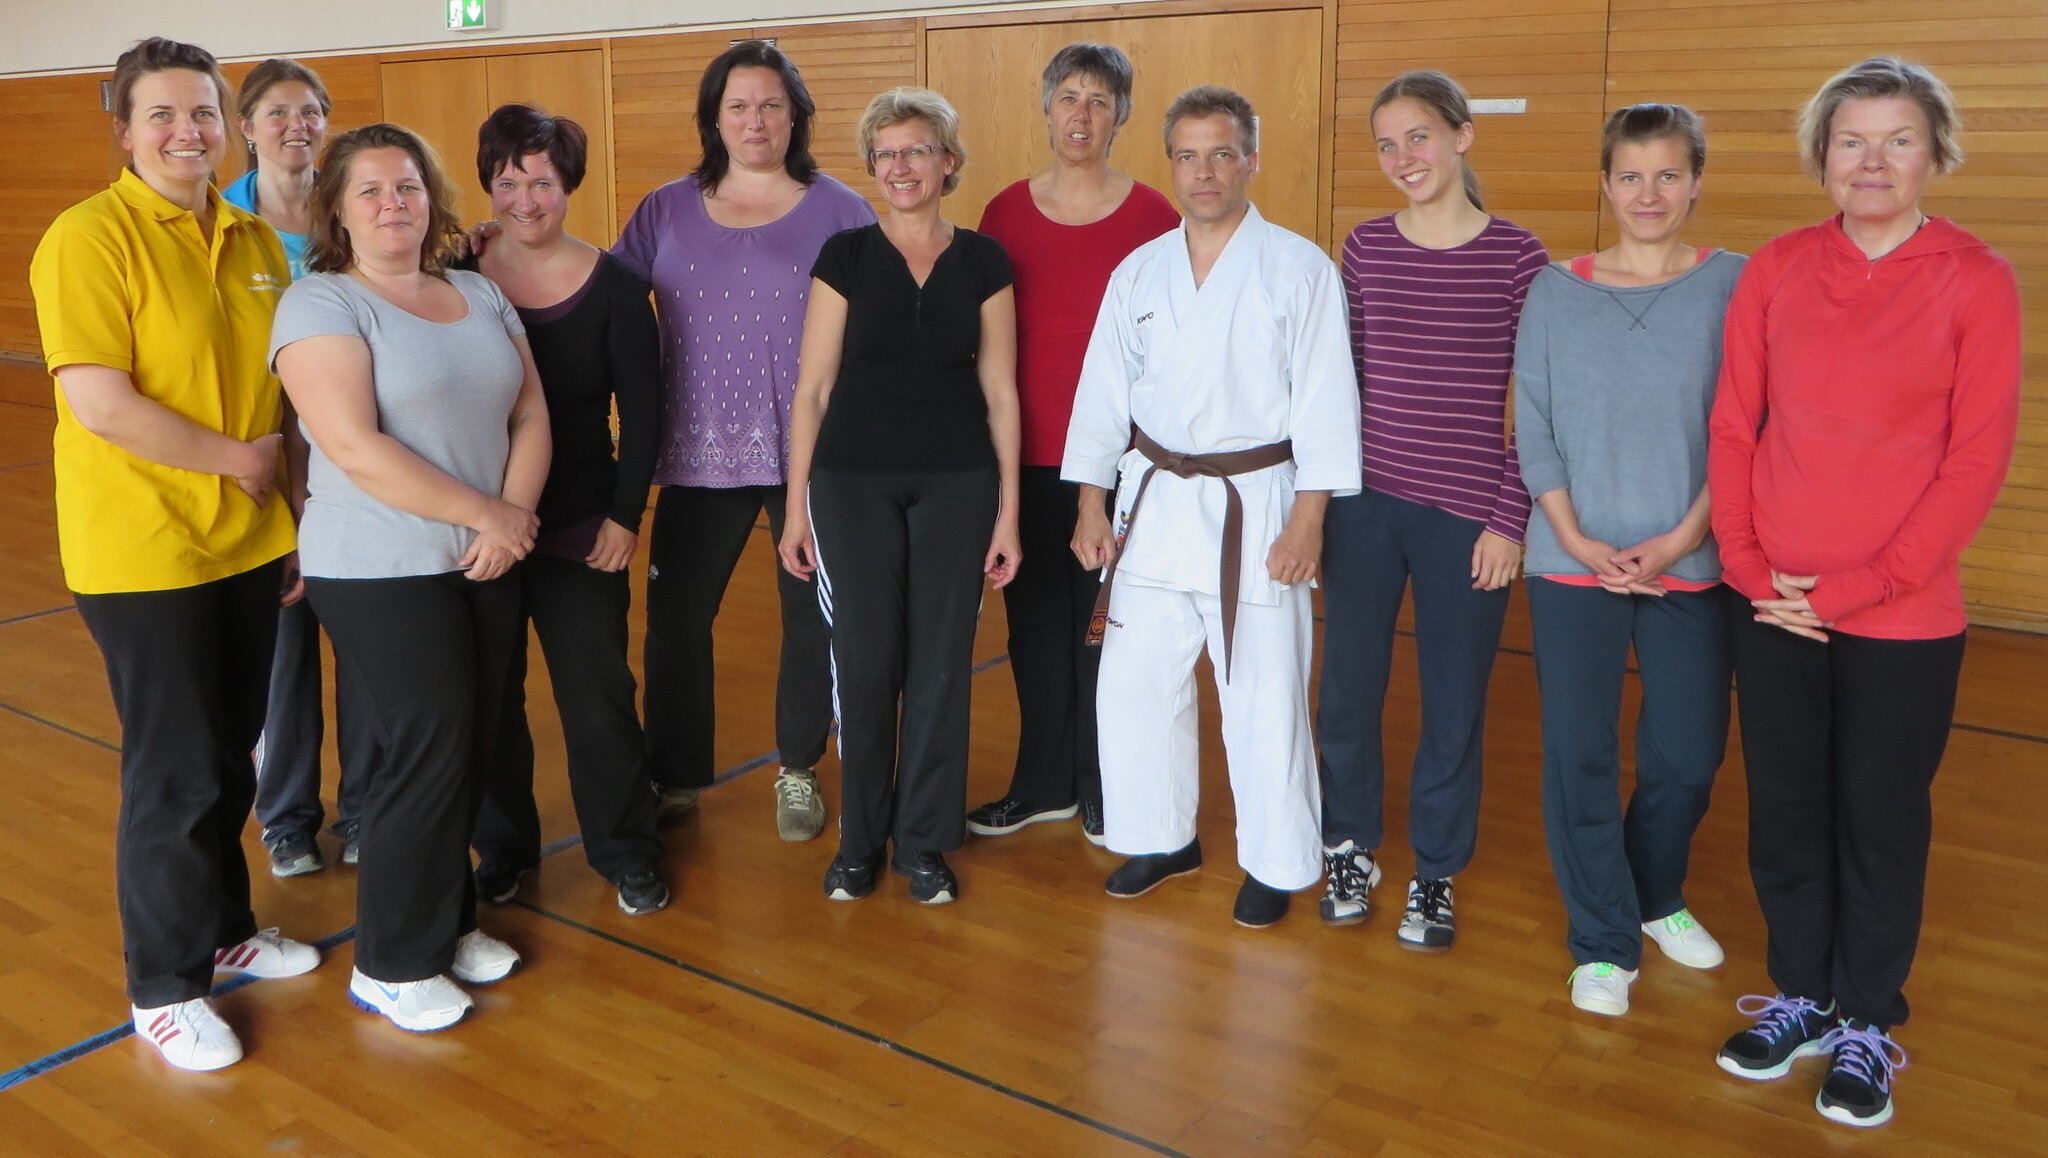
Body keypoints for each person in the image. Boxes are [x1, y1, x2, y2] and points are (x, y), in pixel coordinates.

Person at [1707, 57, 2019, 1129]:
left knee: (1876, 820)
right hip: (1774, 603)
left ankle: (1865, 1024)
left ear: (1932, 151)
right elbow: (1732, 425)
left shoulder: (1975, 280)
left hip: (1900, 616)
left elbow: (1970, 465)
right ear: (1821, 155)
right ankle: (1799, 993)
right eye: (1851, 140)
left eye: (1896, 139)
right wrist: (1750, 571)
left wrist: (1853, 588)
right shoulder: (1778, 269)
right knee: (1786, 812)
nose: (1872, 160)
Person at [29, 35, 320, 1073]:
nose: (186, 131)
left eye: (202, 112)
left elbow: (277, 402)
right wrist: (236, 461)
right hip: (142, 553)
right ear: (124, 129)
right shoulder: (86, 236)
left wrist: (281, 517)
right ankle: (162, 985)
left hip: (246, 541)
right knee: (175, 770)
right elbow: (100, 402)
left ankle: (227, 926)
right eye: (162, 114)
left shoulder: (246, 236)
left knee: (230, 756)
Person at [271, 122, 550, 1033]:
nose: (394, 203)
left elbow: (530, 411)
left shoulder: (475, 290)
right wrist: (490, 516)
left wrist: (508, 523)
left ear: (431, 199)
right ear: (340, 212)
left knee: (474, 740)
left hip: (484, 555)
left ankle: (447, 920)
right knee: (422, 747)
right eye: (371, 190)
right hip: (379, 563)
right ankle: (391, 962)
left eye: (409, 187)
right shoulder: (321, 304)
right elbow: (352, 445)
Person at [1063, 85, 1360, 928]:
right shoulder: (1139, 270)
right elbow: (1100, 397)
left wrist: (1308, 521)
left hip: (1254, 506)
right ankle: (1160, 835)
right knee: (1135, 686)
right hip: (1151, 504)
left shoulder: (1300, 268)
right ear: (1172, 164)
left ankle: (1275, 858)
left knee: (1263, 695)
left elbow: (1328, 408)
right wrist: (1091, 504)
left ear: (1252, 160)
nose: (1205, 171)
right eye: (1189, 155)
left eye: (1222, 152)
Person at [613, 40, 876, 840]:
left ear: (793, 112)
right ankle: (676, 775)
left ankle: (798, 768)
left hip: (813, 456)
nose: (754, 119)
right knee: (677, 621)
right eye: (738, 105)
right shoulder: (664, 207)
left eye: (770, 104)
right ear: (713, 116)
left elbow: (875, 326)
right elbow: (605, 300)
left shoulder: (840, 208)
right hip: (696, 453)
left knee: (812, 620)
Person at [1514, 104, 1743, 1017]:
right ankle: (1604, 939)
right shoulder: (1552, 289)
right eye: (1631, 175)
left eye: (1669, 174)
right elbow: (1532, 424)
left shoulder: (1739, 284)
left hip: (1691, 558)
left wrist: (1684, 538)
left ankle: (1655, 892)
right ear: (1606, 184)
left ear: (1696, 181)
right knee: (1580, 756)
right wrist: (1571, 536)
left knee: (1687, 757)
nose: (1650, 193)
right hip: (1577, 560)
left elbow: (1750, 429)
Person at [1317, 70, 1547, 947]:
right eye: (1387, 143)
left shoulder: (1519, 257)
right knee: (1347, 692)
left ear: (1461, 137)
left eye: (1418, 136)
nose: (1404, 157)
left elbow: (1538, 402)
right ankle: (1350, 845)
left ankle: (1436, 873)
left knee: (1453, 703)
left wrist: (1508, 519)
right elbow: (1344, 384)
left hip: (1467, 519)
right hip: (1365, 508)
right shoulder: (1366, 247)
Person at [779, 86, 1021, 905]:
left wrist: (1011, 512)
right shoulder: (845, 257)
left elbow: (1001, 392)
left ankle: (923, 841)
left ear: (947, 161)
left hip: (960, 485)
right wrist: (794, 508)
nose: (901, 167)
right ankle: (859, 841)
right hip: (852, 485)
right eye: (886, 154)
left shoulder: (984, 260)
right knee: (867, 661)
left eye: (917, 150)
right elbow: (811, 390)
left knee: (942, 667)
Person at [968, 44, 1179, 846]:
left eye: (1099, 100)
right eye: (1069, 98)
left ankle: (1102, 786)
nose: (1082, 114)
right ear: (1046, 108)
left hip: (1120, 470)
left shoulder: (1156, 216)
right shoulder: (1003, 213)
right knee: (1032, 630)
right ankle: (1042, 784)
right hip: (1023, 459)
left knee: (1107, 634)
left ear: (1122, 115)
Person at [467, 103, 668, 916]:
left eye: (541, 180)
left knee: (598, 699)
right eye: (508, 180)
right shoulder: (455, 272)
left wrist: (625, 518)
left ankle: (626, 850)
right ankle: (504, 850)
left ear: (569, 186)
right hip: (480, 525)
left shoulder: (617, 286)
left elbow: (646, 413)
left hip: (583, 527)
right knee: (489, 700)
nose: (524, 198)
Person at [222, 55, 368, 877]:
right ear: (246, 126)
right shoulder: (221, 219)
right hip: (267, 465)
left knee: (366, 645)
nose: (296, 125)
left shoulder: (346, 211)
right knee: (284, 655)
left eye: (310, 110)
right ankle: (285, 819)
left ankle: (368, 809)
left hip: (351, 460)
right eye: (277, 112)